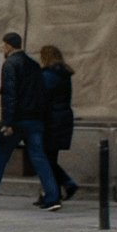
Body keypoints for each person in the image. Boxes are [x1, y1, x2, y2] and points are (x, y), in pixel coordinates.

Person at [0, 30, 61, 211]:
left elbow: (9, 96)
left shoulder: (10, 64)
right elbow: (41, 94)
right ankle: (53, 198)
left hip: (16, 120)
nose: (3, 48)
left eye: (3, 45)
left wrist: (8, 123)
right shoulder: (33, 64)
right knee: (40, 159)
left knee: (0, 159)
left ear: (8, 45)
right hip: (34, 121)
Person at [36, 43, 78, 205]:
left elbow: (42, 97)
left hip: (52, 120)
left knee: (45, 159)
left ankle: (65, 186)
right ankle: (56, 192)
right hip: (63, 118)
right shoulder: (63, 73)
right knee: (49, 158)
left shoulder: (50, 74)